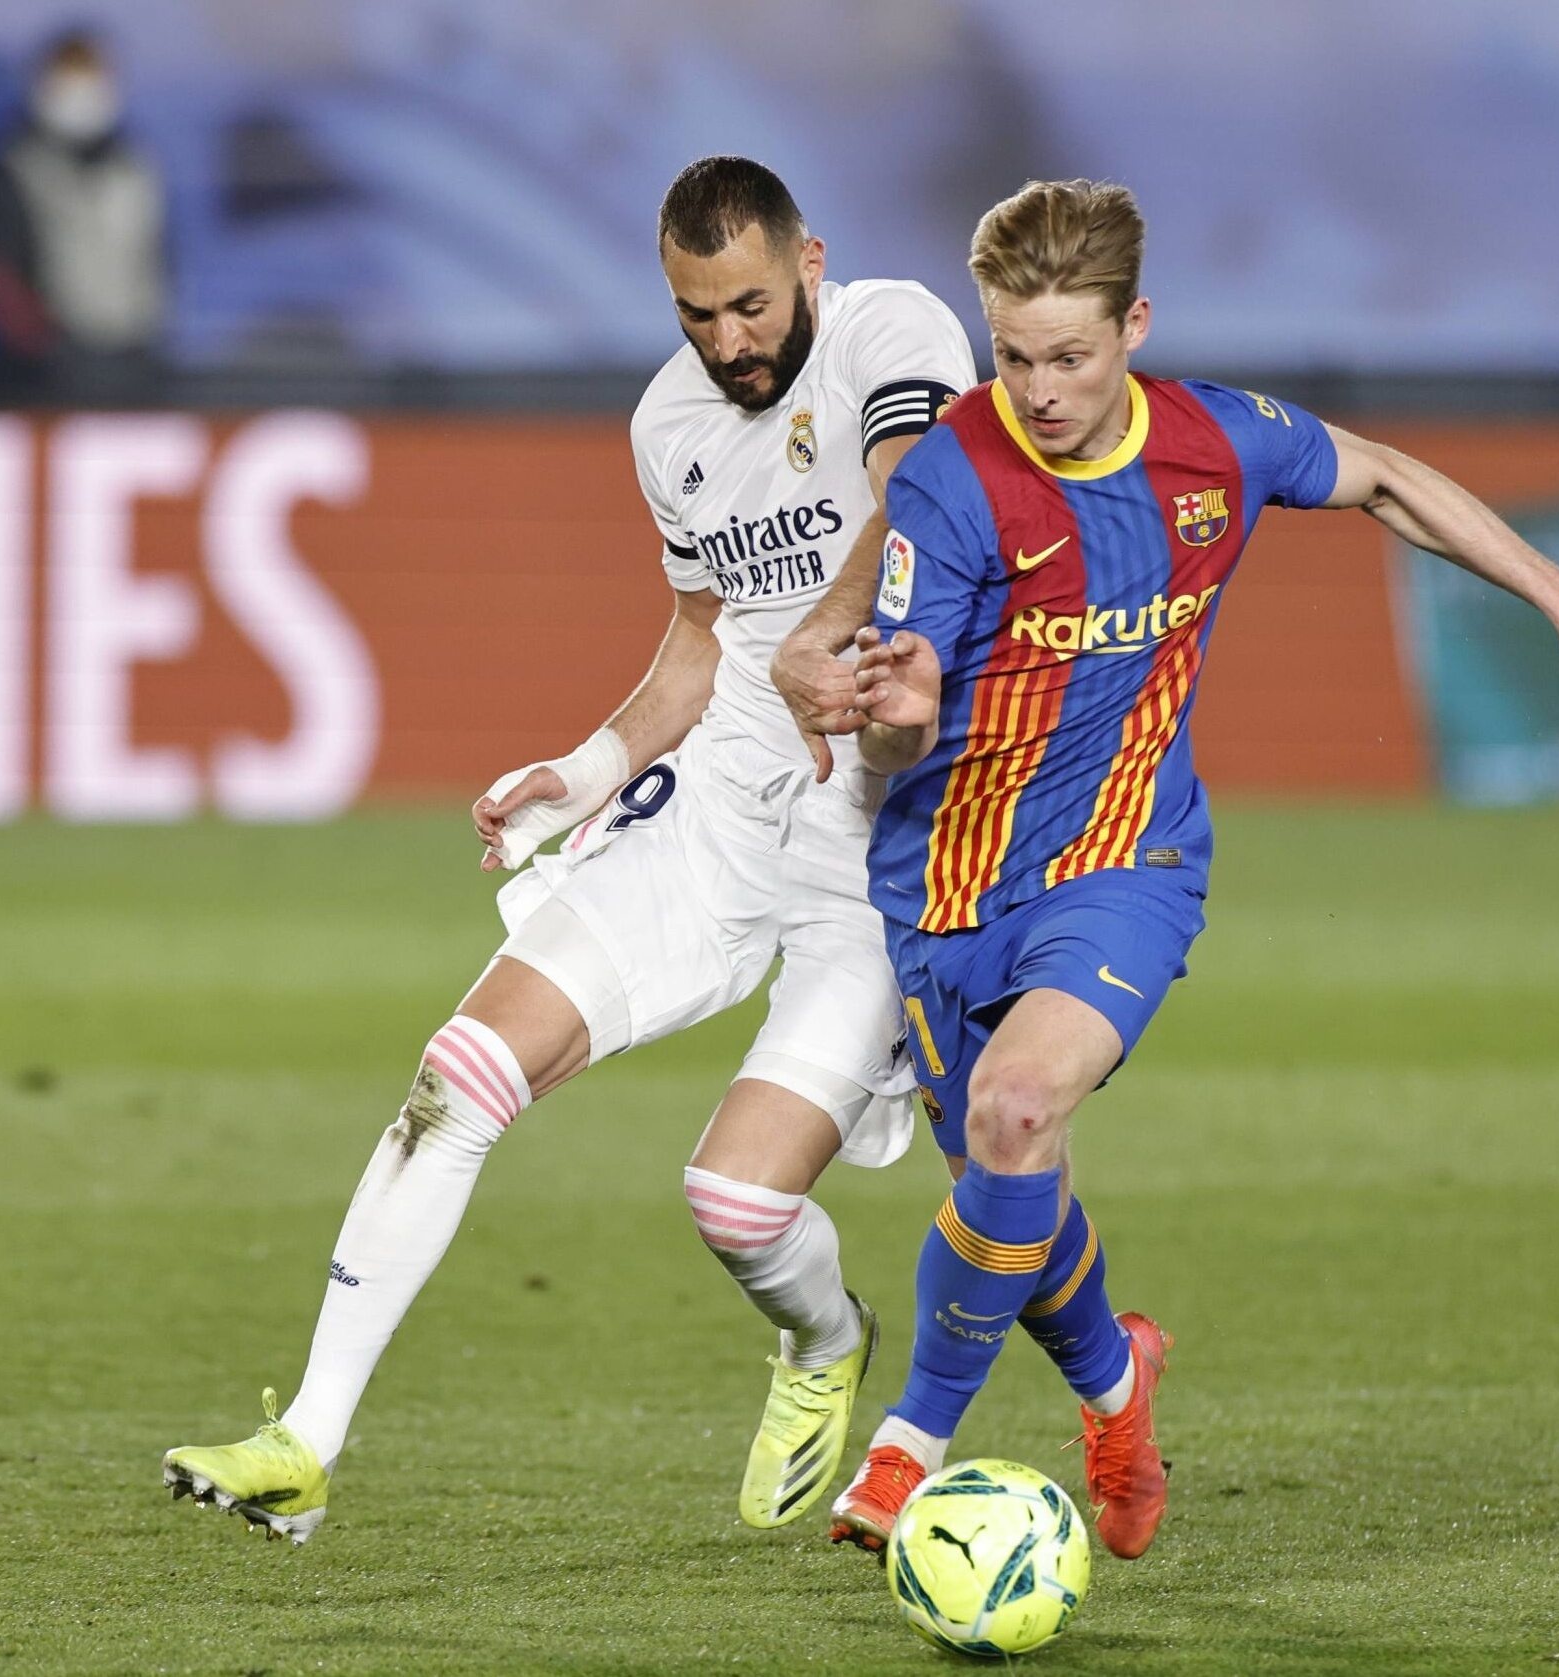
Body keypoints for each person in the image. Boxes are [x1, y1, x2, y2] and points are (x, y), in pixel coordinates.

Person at [777, 178, 1559, 1558]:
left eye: (1070, 354)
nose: (1040, 388)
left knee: (1018, 1109)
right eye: (1012, 354)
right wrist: (893, 693)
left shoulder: (1215, 442)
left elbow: (1384, 477)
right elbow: (921, 676)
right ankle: (1117, 1383)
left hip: (1130, 856)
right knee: (1013, 1179)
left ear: (1135, 326)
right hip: (948, 886)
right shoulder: (953, 472)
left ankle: (911, 1444)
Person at [162, 156, 975, 1543]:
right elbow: (702, 639)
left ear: (812, 263)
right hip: (722, 809)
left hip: (879, 840)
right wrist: (589, 765)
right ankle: (305, 1439)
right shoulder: (669, 423)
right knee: (456, 1074)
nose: (728, 342)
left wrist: (830, 646)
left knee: (732, 1201)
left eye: (752, 305)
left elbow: (916, 509)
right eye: (695, 314)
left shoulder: (895, 335)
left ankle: (826, 1341)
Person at [0, 29, 169, 386]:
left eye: (90, 78)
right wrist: (46, 346)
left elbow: (158, 259)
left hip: (133, 367)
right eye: (69, 80)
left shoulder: (135, 167)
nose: (81, 94)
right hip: (45, 377)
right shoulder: (14, 167)